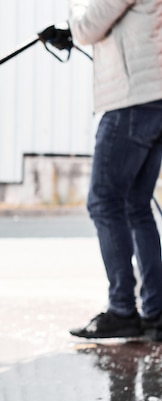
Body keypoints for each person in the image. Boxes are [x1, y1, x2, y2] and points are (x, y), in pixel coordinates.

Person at [41, 1, 162, 340]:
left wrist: (74, 16)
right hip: (153, 99)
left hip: (130, 102)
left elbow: (88, 26)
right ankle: (155, 311)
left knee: (104, 202)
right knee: (136, 206)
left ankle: (123, 309)